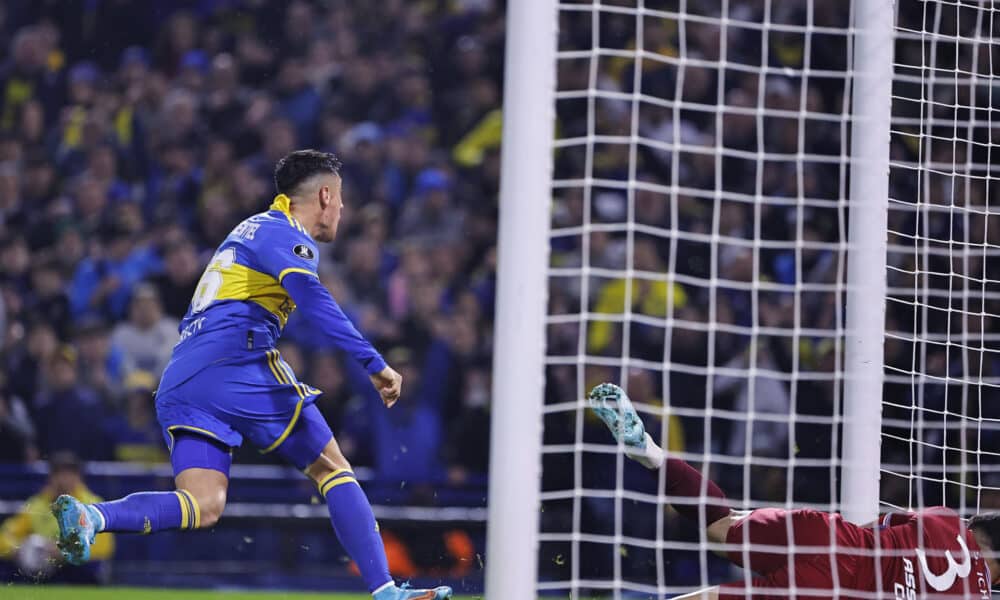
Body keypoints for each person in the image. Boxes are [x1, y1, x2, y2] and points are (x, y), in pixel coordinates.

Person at [52, 150, 452, 600]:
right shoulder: (285, 233)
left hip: (183, 377)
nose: (342, 209)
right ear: (324, 195)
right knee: (332, 468)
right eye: (340, 199)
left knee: (203, 505)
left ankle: (94, 518)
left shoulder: (252, 227)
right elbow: (314, 299)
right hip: (234, 363)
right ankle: (384, 590)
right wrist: (373, 362)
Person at [589, 382, 1000, 600]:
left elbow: (882, 525)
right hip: (833, 590)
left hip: (828, 534)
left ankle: (652, 454)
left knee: (720, 525)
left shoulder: (944, 517)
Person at [0, 453, 113, 584]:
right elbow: (6, 534)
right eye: (59, 474)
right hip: (45, 566)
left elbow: (104, 546)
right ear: (51, 477)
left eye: (70, 474)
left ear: (79, 477)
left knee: (91, 567)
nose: (64, 480)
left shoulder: (92, 505)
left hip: (76, 567)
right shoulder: (38, 504)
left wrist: (66, 551)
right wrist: (18, 550)